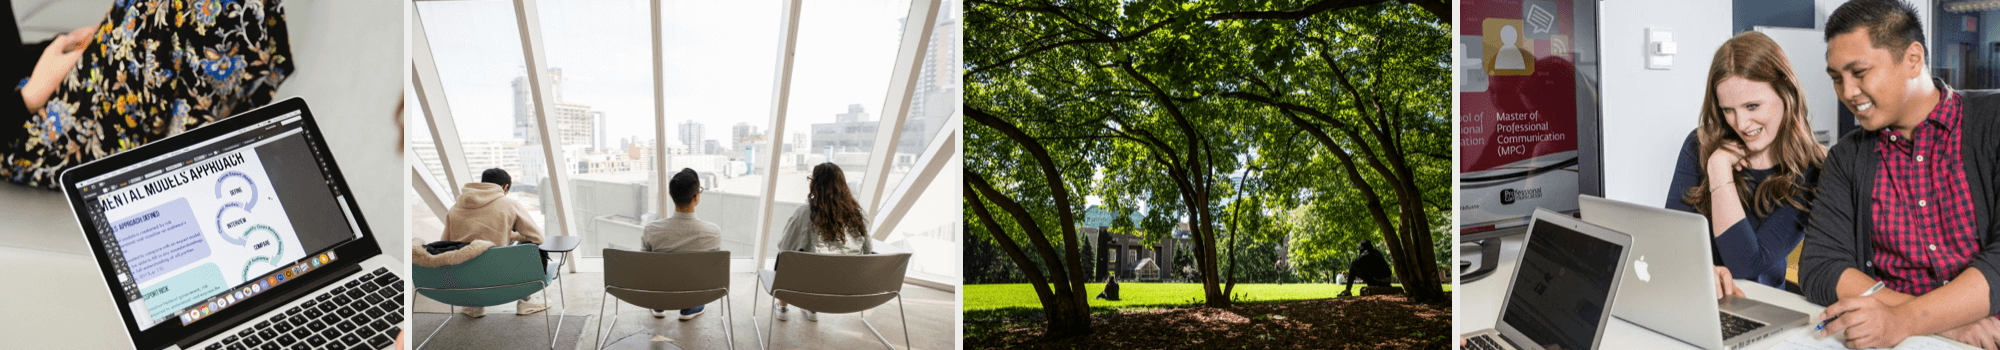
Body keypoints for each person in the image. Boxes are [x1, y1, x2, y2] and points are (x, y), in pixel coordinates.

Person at [1800, 1, 2000, 348]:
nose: (1847, 92)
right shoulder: (1846, 157)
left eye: (1859, 73)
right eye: (1836, 78)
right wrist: (1939, 324)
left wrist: (1904, 319)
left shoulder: (1993, 123)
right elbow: (1821, 265)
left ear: (1912, 59)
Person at [0, 0, 292, 188]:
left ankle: (194, 142)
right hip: (21, 133)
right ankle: (190, 150)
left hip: (30, 89)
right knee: (163, 11)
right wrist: (29, 97)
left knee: (154, 13)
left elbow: (7, 56)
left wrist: (62, 47)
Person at [1665, 31, 1824, 297]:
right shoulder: (1699, 143)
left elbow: (1746, 265)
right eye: (1728, 110)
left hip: (1758, 305)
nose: (1740, 124)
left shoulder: (1811, 169)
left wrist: (1718, 170)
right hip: (1694, 296)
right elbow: (1671, 238)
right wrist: (1701, 271)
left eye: (1752, 106)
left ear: (1787, 94)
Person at [771, 162, 873, 322]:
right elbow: (868, 251)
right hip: (846, 287)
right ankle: (811, 307)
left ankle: (783, 306)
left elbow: (785, 247)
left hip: (811, 284)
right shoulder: (858, 214)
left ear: (815, 184)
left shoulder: (804, 213)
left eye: (811, 178)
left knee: (783, 257)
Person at [442, 168, 547, 317]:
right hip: (501, 278)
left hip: (465, 280)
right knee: (532, 248)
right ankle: (526, 300)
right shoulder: (509, 204)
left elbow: (443, 245)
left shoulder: (456, 207)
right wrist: (514, 237)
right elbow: (538, 238)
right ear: (504, 187)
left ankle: (475, 305)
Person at [639, 168, 722, 320]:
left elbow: (645, 267)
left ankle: (658, 305)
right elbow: (710, 271)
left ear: (671, 195)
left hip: (660, 292)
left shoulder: (651, 230)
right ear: (696, 197)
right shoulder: (713, 232)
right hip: (693, 293)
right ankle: (689, 308)